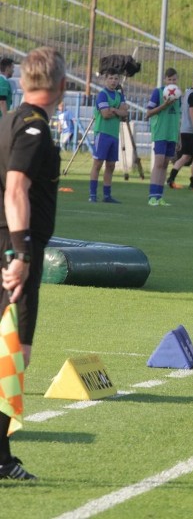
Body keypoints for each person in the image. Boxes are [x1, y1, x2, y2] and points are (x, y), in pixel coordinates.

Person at [0, 46, 65, 480]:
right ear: (61, 86)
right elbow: (16, 189)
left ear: (22, 82)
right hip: (15, 249)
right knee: (14, 352)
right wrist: (20, 254)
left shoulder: (9, 119)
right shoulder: (33, 128)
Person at [89, 69, 128, 203]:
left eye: (116, 79)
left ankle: (107, 195)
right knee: (98, 163)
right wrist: (119, 111)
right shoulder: (102, 95)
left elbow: (125, 113)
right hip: (103, 133)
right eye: (111, 78)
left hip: (113, 134)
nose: (113, 81)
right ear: (106, 80)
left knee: (111, 165)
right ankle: (92, 194)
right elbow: (105, 114)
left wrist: (114, 110)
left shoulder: (119, 95)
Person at [146, 68, 181, 206]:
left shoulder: (178, 95)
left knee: (166, 164)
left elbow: (178, 117)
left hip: (171, 134)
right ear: (165, 80)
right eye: (169, 79)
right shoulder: (158, 92)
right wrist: (164, 105)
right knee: (159, 163)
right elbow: (148, 112)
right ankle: (152, 196)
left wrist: (178, 136)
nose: (172, 82)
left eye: (174, 79)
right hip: (160, 132)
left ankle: (160, 196)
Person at [168, 70, 193, 191]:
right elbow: (192, 112)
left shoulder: (188, 93)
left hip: (186, 130)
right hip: (191, 131)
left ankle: (171, 179)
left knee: (186, 156)